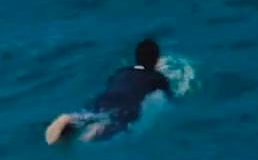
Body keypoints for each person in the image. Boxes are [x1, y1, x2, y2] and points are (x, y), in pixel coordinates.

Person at [45, 38, 173, 144]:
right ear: (155, 60)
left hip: (104, 98)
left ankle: (71, 119)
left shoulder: (121, 72)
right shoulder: (158, 78)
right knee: (114, 124)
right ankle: (90, 135)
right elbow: (169, 96)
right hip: (127, 105)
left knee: (91, 115)